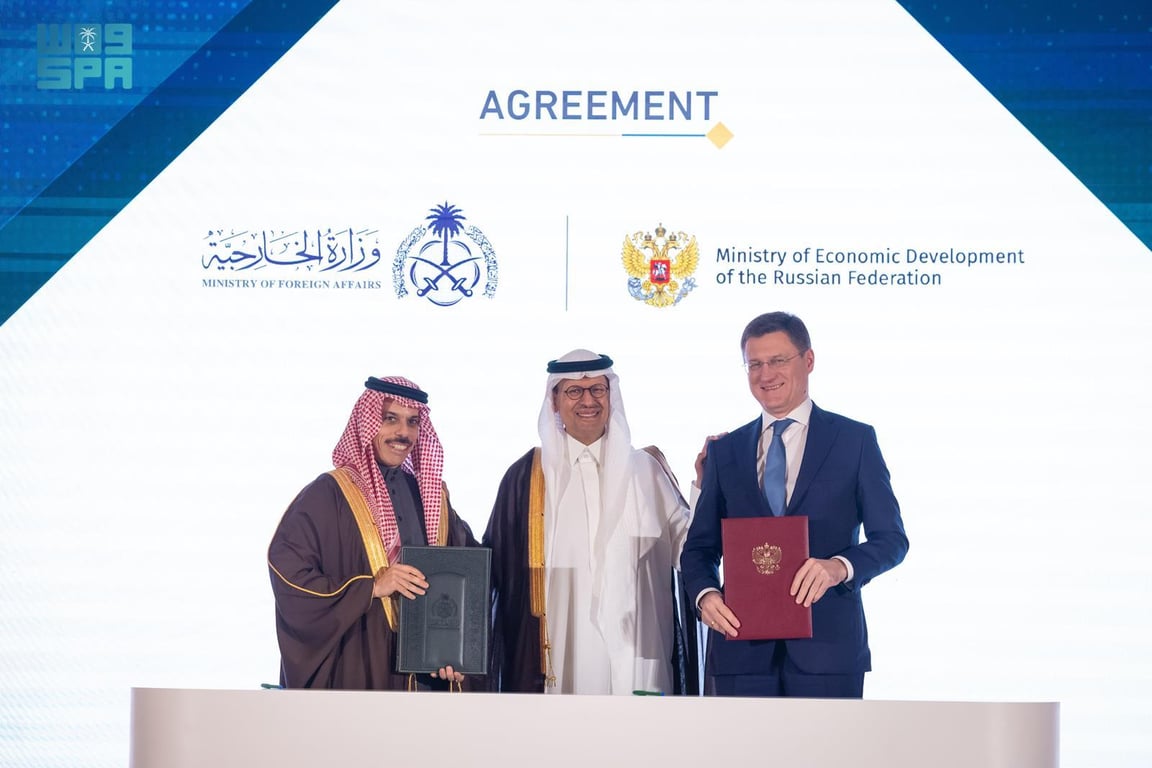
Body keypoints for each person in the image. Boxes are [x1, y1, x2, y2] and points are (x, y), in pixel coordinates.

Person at [681, 312, 909, 698]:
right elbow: (699, 548)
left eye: (778, 360)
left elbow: (891, 540)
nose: (765, 374)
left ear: (809, 360)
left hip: (828, 653)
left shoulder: (854, 441)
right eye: (754, 364)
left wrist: (839, 567)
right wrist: (705, 595)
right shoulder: (725, 451)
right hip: (740, 651)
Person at [484, 349, 698, 695]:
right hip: (558, 661)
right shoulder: (527, 478)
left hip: (637, 655)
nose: (588, 401)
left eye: (598, 389)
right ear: (555, 401)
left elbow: (690, 548)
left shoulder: (646, 470)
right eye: (574, 391)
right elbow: (493, 571)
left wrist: (705, 488)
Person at [268, 376, 478, 690]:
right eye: (390, 419)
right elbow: (288, 573)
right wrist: (371, 587)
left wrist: (457, 654)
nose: (403, 433)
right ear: (366, 424)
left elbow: (468, 574)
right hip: (359, 663)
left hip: (425, 677)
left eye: (412, 422)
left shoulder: (431, 496)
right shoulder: (328, 495)